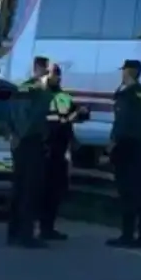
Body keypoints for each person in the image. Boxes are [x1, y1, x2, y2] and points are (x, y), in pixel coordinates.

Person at [107, 58, 141, 248]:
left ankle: (128, 235)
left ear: (129, 72)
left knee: (128, 193)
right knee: (139, 193)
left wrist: (112, 144)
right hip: (140, 145)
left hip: (126, 146)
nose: (122, 74)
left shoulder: (126, 95)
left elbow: (120, 123)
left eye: (124, 70)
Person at [3, 55, 53, 248]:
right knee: (30, 191)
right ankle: (27, 235)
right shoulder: (41, 92)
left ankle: (13, 233)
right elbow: (36, 118)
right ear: (44, 70)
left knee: (18, 188)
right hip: (32, 143)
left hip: (18, 143)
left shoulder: (20, 88)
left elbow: (7, 115)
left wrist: (13, 136)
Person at [39, 62, 89, 241]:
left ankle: (48, 228)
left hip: (58, 150)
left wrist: (82, 112)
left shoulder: (63, 97)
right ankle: (33, 229)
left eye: (56, 74)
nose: (55, 77)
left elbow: (72, 116)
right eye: (51, 74)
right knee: (39, 191)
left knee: (54, 191)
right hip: (42, 148)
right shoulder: (38, 95)